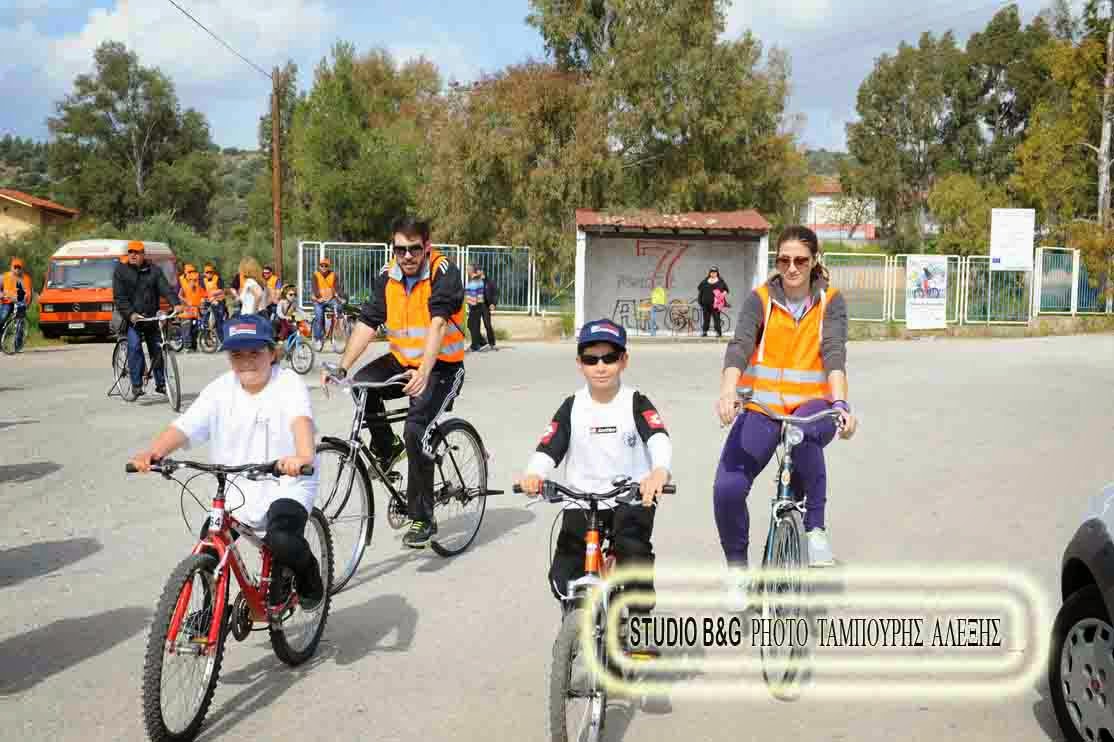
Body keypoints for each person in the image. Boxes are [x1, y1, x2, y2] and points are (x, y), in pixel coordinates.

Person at [128, 313, 325, 611]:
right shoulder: (221, 389)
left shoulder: (288, 384)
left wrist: (303, 457)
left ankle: (309, 575)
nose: (246, 360)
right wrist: (154, 453)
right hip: (236, 486)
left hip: (286, 482)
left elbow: (301, 421)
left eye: (255, 352)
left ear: (272, 352)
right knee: (209, 543)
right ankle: (209, 614)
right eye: (237, 354)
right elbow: (185, 426)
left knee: (281, 539)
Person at [712, 226, 858, 612]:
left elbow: (833, 355)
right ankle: (739, 573)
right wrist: (729, 391)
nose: (791, 268)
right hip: (763, 407)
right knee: (727, 487)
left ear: (815, 262)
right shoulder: (760, 299)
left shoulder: (831, 302)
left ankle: (814, 528)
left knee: (803, 431)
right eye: (784, 260)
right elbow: (740, 346)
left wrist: (841, 404)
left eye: (800, 260)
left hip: (813, 407)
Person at [517, 318, 672, 647]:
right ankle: (574, 622)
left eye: (609, 357)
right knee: (564, 571)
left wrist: (659, 472)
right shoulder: (573, 406)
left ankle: (640, 624)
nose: (600, 366)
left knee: (634, 556)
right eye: (591, 359)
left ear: (624, 360)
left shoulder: (635, 402)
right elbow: (550, 444)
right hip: (581, 499)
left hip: (629, 498)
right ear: (579, 364)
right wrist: (535, 474)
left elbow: (658, 437)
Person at [322, 216, 467, 548]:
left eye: (414, 249)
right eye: (399, 249)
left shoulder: (444, 273)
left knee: (416, 429)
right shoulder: (388, 277)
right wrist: (342, 367)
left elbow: (438, 325)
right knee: (360, 386)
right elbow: (368, 323)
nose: (406, 256)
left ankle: (422, 518)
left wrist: (425, 372)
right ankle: (388, 448)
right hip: (403, 362)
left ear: (426, 247)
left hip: (442, 367)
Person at [112, 241, 182, 398]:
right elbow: (119, 298)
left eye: (136, 252)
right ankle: (136, 385)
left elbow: (166, 288)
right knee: (135, 346)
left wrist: (176, 304)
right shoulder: (121, 271)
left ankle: (161, 384)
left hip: (150, 317)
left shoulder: (154, 271)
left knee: (157, 349)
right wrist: (131, 314)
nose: (133, 255)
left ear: (143, 254)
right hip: (132, 319)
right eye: (130, 252)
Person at [311, 257, 345, 343]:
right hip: (319, 300)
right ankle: (318, 338)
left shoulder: (334, 275)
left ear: (329, 266)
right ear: (319, 266)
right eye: (321, 265)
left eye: (325, 266)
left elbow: (337, 288)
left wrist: (342, 297)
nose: (323, 267)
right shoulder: (315, 275)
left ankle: (336, 331)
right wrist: (319, 298)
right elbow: (314, 288)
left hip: (330, 299)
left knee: (339, 307)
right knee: (319, 316)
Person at [465, 264, 498, 352]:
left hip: (485, 305)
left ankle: (491, 343)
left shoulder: (488, 281)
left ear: (481, 271)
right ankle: (481, 342)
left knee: (487, 324)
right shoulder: (475, 280)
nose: (478, 272)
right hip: (477, 305)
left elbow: (494, 293)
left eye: (479, 270)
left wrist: (493, 303)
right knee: (472, 325)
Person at [1, 257, 33, 340]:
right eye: (15, 267)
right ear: (11, 267)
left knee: (20, 322)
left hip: (20, 303)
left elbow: (28, 294)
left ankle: (17, 344)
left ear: (22, 268)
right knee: (2, 318)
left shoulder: (26, 279)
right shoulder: (4, 277)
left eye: (19, 267)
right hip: (7, 302)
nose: (17, 269)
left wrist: (26, 302)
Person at [178, 264, 205, 352]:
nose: (191, 273)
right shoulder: (182, 282)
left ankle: (194, 346)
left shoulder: (197, 283)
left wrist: (203, 301)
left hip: (195, 310)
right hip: (186, 310)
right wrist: (186, 301)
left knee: (195, 329)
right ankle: (187, 347)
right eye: (189, 272)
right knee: (187, 327)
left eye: (192, 272)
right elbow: (179, 295)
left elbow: (203, 294)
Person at [697, 266, 729, 338]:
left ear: (717, 273)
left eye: (715, 272)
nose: (713, 274)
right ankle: (704, 332)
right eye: (712, 272)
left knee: (716, 318)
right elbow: (699, 288)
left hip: (716, 304)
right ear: (709, 273)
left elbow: (726, 290)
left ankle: (718, 332)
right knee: (706, 319)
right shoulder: (705, 281)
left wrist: (722, 295)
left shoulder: (720, 281)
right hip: (705, 303)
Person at [202, 263, 227, 329]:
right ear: (204, 273)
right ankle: (207, 328)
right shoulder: (203, 280)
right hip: (210, 301)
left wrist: (214, 293)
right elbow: (203, 291)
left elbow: (222, 290)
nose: (209, 274)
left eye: (210, 272)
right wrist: (203, 298)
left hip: (219, 301)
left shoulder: (218, 279)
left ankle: (220, 329)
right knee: (205, 315)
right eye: (207, 272)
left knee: (219, 319)